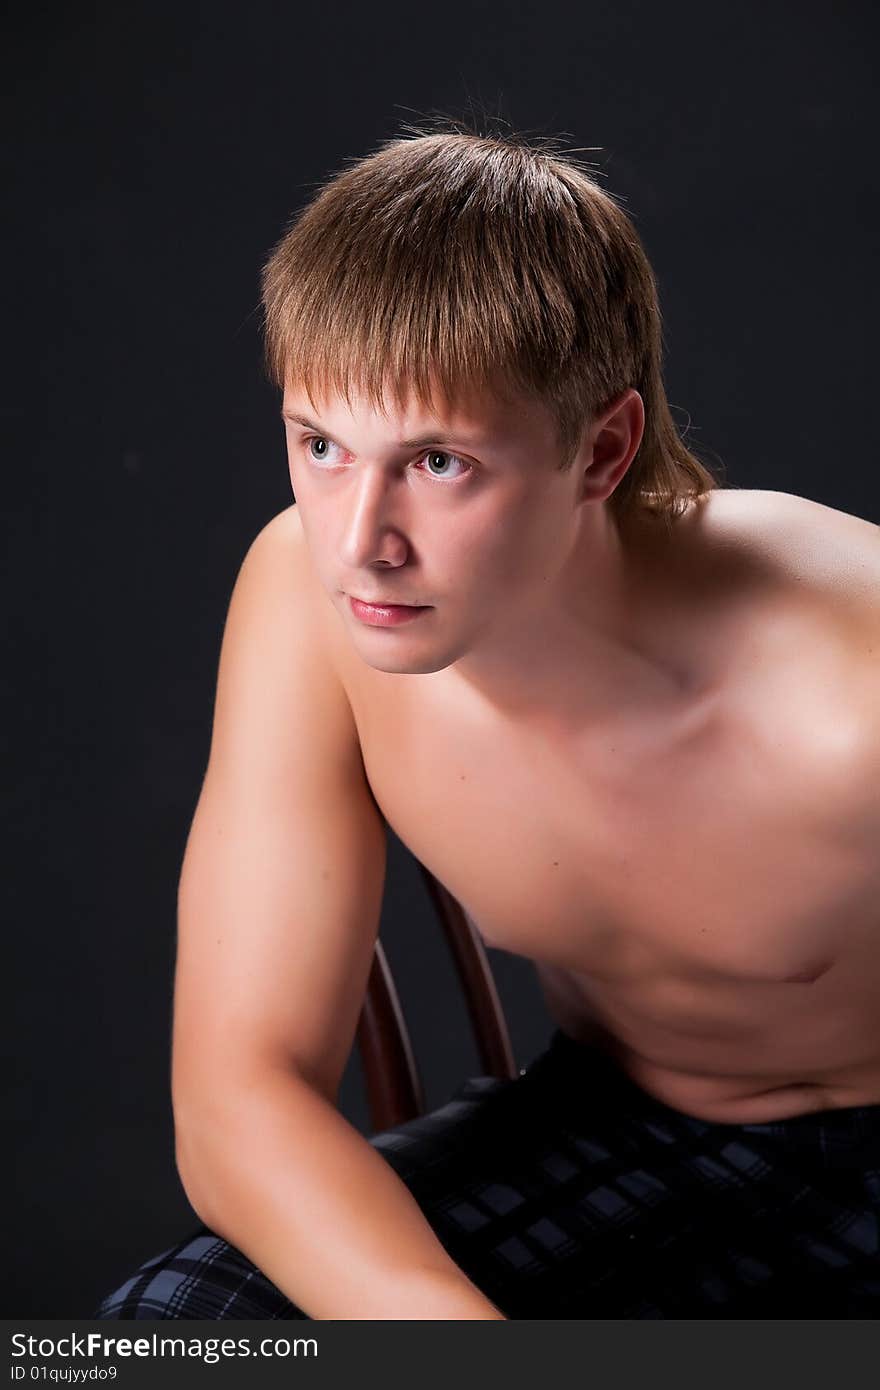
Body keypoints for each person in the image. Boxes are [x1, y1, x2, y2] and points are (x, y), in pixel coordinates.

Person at [94, 120, 880, 1320]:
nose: (361, 541)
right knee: (166, 1339)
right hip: (618, 1135)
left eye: (441, 463)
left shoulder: (848, 678)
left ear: (602, 449)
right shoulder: (309, 600)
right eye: (321, 446)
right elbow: (236, 1095)